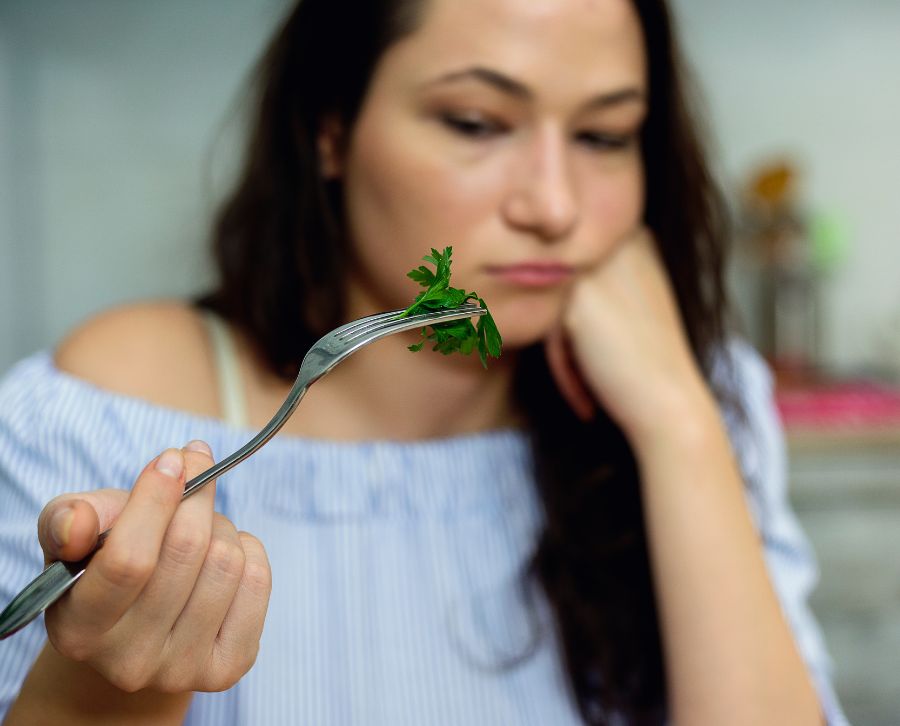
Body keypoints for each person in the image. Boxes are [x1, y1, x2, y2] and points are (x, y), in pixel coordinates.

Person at [0, 0, 847, 723]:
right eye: (475, 123)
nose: (554, 207)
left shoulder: (704, 398)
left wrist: (676, 422)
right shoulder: (102, 411)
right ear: (330, 130)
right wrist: (99, 691)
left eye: (604, 134)